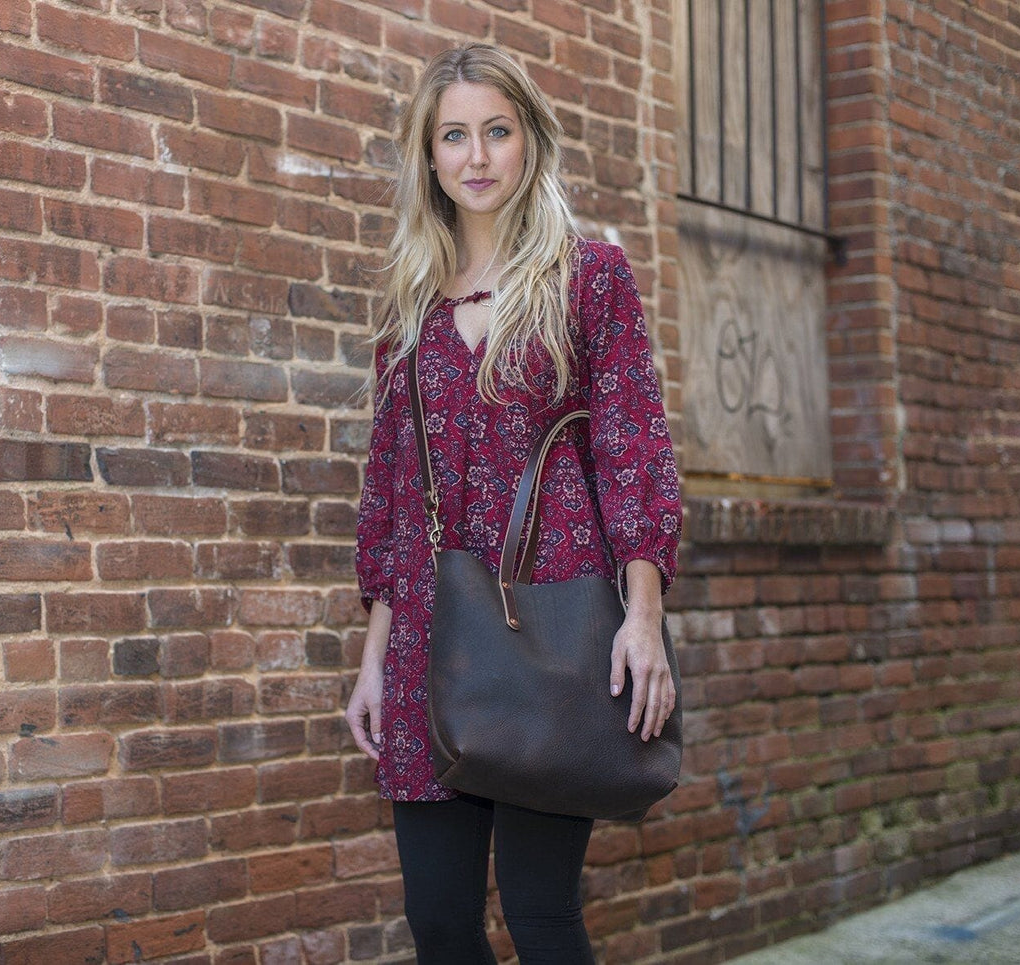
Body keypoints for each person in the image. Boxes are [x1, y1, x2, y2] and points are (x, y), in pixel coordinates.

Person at [346, 43, 683, 964]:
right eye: (453, 136)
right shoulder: (407, 310)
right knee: (440, 921)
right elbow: (390, 496)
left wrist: (642, 619)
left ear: (529, 141)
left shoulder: (589, 278)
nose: (477, 156)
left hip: (556, 620)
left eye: (496, 131)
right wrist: (374, 657)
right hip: (424, 631)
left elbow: (631, 454)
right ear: (429, 157)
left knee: (539, 914)